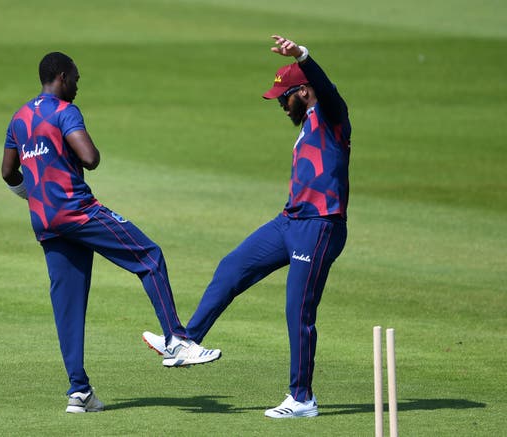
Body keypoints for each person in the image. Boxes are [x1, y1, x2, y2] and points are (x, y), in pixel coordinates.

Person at [141, 35, 351, 419]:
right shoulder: (306, 124)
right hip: (289, 221)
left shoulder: (332, 116)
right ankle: (186, 342)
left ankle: (302, 398)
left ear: (303, 92)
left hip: (320, 225)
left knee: (297, 311)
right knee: (232, 267)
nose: (281, 106)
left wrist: (303, 56)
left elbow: (328, 89)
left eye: (284, 97)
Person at [1, 52, 221, 414]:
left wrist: (34, 193)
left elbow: (9, 172)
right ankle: (178, 341)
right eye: (75, 78)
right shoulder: (63, 111)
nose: (77, 85)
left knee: (68, 307)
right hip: (78, 212)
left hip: (45, 221)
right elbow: (90, 158)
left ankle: (79, 393)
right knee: (149, 257)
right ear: (61, 77)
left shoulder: (20, 117)